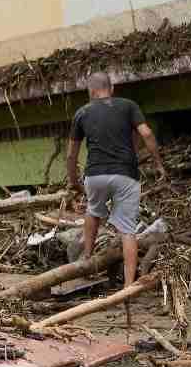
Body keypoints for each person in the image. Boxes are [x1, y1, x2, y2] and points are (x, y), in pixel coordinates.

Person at [66, 72, 168, 287]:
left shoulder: (82, 112)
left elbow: (71, 155)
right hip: (125, 174)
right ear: (111, 89)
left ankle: (86, 260)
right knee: (127, 229)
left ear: (91, 91)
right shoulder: (128, 106)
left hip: (95, 175)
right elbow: (147, 134)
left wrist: (74, 181)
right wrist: (158, 164)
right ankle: (129, 285)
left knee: (93, 212)